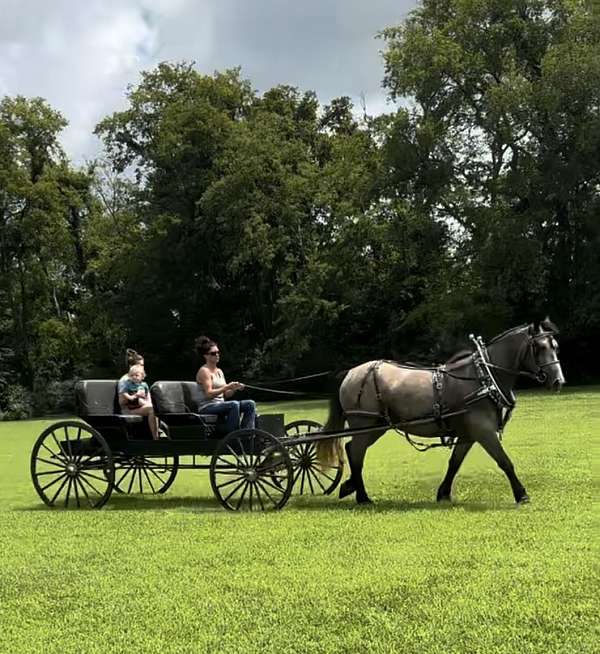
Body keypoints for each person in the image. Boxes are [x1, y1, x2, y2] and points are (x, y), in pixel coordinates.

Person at [195, 336, 256, 432]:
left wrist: (234, 388)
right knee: (234, 404)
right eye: (213, 353)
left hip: (221, 404)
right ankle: (232, 434)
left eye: (218, 352)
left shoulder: (219, 371)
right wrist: (227, 386)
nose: (217, 355)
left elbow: (225, 394)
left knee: (250, 404)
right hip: (207, 407)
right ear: (206, 356)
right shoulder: (204, 371)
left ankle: (246, 434)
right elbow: (209, 394)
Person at [118, 350, 159, 439]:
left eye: (142, 365)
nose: (142, 367)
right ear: (131, 366)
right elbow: (122, 402)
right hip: (128, 410)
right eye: (139, 365)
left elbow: (148, 399)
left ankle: (157, 432)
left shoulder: (141, 382)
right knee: (152, 410)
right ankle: (156, 438)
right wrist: (137, 396)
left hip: (141, 407)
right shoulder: (125, 381)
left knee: (156, 408)